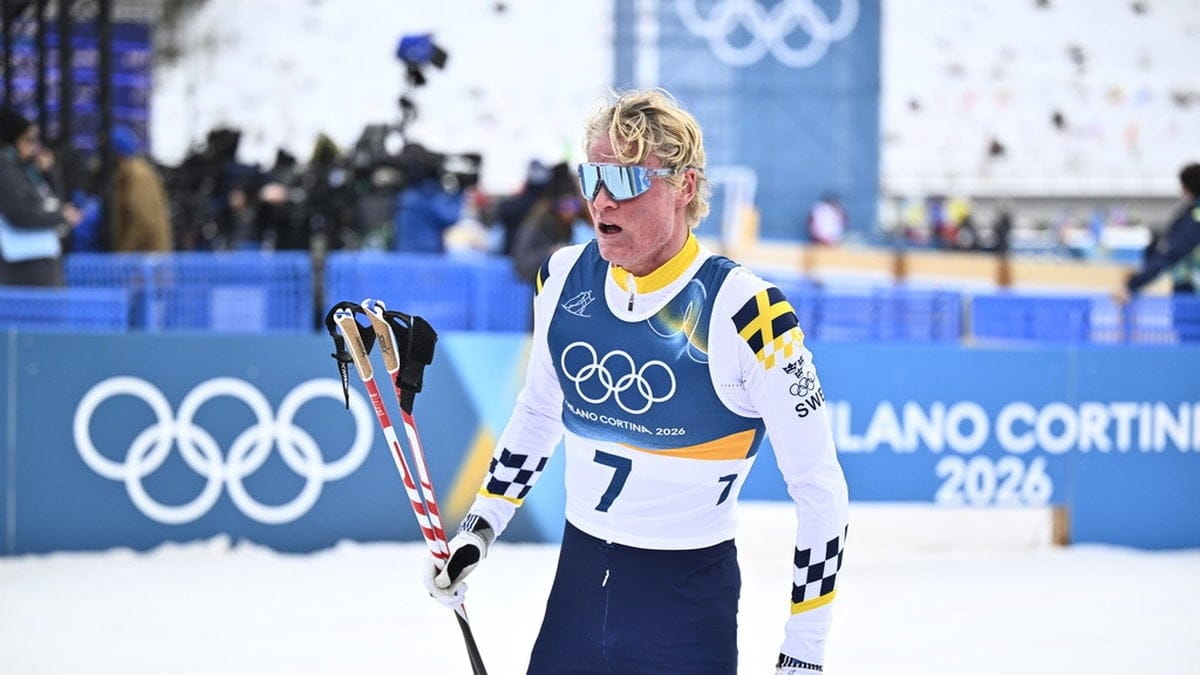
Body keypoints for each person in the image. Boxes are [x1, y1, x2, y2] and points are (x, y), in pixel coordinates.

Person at [425, 88, 849, 674]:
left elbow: (820, 490)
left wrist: (803, 652)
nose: (601, 200)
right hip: (578, 591)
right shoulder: (562, 276)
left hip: (684, 604)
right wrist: (481, 526)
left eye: (625, 180)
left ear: (685, 186)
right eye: (592, 176)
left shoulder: (747, 312)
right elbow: (540, 413)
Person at [0, 108, 81, 286]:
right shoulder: (6, 171)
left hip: (37, 263)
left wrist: (49, 174)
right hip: (22, 268)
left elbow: (52, 200)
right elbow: (20, 214)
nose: (35, 148)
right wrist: (60, 217)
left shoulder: (26, 171)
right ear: (13, 140)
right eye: (29, 140)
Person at [1114, 162, 1200, 303]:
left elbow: (1171, 253)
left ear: (1186, 188)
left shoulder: (1193, 218)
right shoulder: (1190, 216)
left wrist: (1131, 284)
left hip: (1192, 293)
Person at [110, 125, 174, 252]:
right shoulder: (132, 174)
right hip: (143, 257)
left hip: (146, 258)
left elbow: (143, 222)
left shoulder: (138, 176)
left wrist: (123, 255)